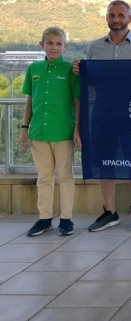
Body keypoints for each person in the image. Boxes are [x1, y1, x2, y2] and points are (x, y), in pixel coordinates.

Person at [74, 0, 131, 232]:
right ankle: (110, 212)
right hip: (104, 112)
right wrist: (82, 72)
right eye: (112, 15)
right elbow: (92, 81)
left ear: (130, 18)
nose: (116, 20)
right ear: (107, 17)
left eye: (121, 15)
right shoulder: (95, 48)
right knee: (105, 161)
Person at [21, 27, 81, 237]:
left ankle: (66, 219)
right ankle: (44, 219)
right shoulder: (33, 69)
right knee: (44, 178)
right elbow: (30, 100)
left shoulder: (71, 70)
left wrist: (77, 129)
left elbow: (78, 101)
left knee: (65, 176)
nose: (54, 47)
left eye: (58, 43)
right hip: (38, 132)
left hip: (63, 132)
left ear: (65, 46)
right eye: (50, 43)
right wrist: (24, 127)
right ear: (42, 45)